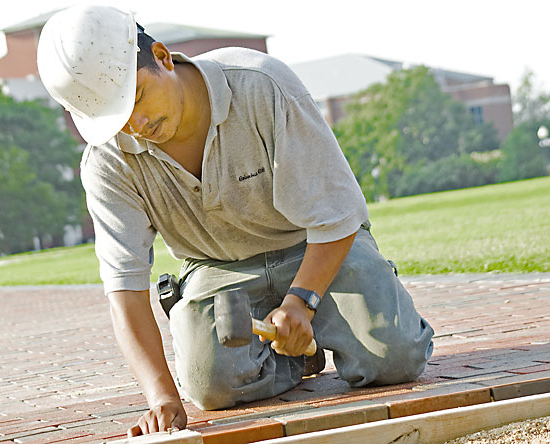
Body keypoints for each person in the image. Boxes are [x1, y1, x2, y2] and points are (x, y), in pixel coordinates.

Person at [37, 4, 434, 437]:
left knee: (396, 359)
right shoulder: (106, 162)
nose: (137, 124)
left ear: (164, 58)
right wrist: (162, 397)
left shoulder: (262, 86)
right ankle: (299, 355)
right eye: (115, 119)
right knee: (210, 386)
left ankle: (325, 322)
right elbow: (126, 293)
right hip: (216, 268)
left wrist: (301, 302)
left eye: (136, 98)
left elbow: (338, 215)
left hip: (314, 244)